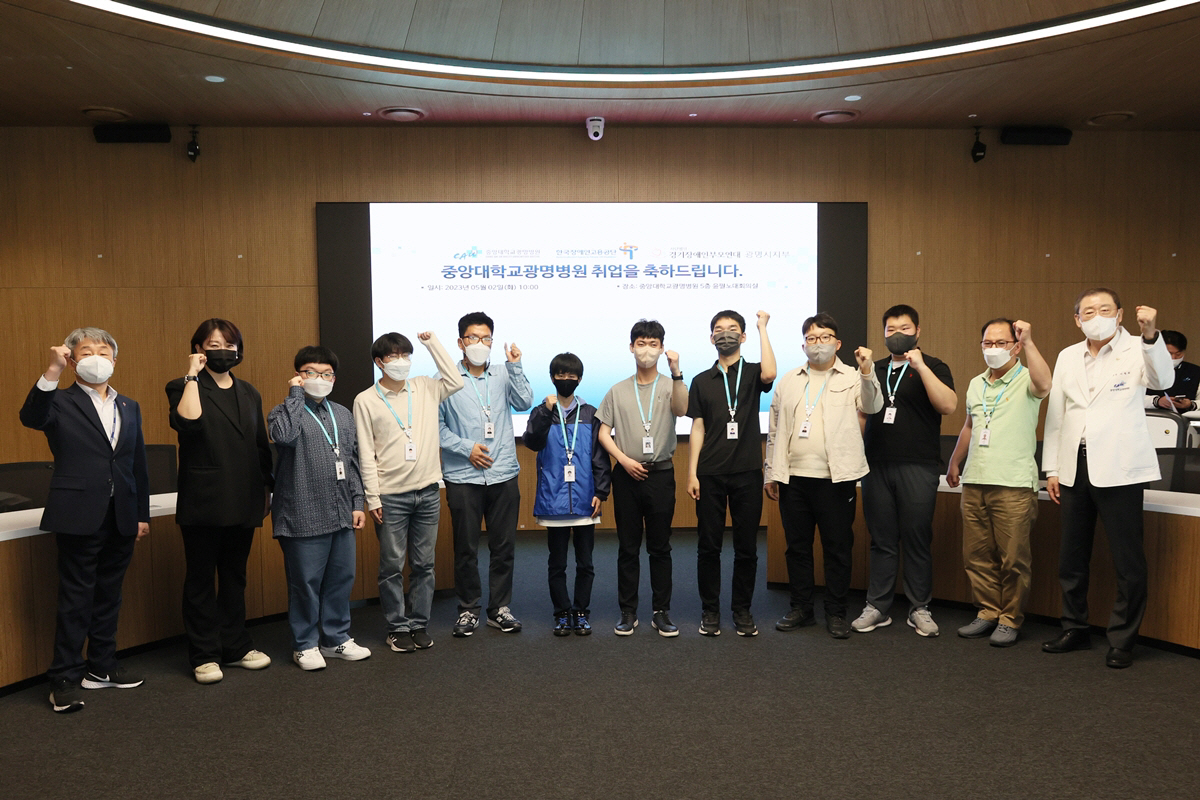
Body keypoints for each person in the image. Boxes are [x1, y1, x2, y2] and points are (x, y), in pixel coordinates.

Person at [21, 328, 150, 713]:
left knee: (110, 595)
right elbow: (31, 417)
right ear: (73, 360)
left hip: (121, 514)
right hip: (78, 513)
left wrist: (141, 514)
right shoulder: (59, 400)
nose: (97, 357)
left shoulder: (129, 405)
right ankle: (63, 676)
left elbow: (137, 464)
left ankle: (102, 667)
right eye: (86, 350)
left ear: (115, 360)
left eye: (104, 351)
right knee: (76, 598)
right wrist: (52, 370)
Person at [1042, 289, 1172, 669]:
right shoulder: (1068, 355)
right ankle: (1075, 628)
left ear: (1119, 315)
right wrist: (1052, 468)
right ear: (1077, 319)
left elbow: (1162, 379)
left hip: (1120, 467)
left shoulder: (1137, 348)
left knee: (1127, 561)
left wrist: (1150, 335)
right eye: (1088, 311)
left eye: (1104, 309)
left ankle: (1122, 640)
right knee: (1071, 557)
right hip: (1074, 466)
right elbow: (1057, 414)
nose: (1096, 316)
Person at [166, 318, 274, 684]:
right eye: (213, 345)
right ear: (198, 349)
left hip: (245, 497)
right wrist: (192, 376)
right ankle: (204, 655)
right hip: (204, 499)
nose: (222, 351)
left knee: (234, 577)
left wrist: (267, 488)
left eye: (229, 345)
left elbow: (260, 444)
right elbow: (188, 423)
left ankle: (236, 647)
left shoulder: (249, 391)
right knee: (200, 580)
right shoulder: (181, 386)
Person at [764, 313, 880, 639]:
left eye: (825, 337)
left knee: (837, 548)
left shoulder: (853, 376)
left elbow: (872, 407)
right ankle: (801, 608)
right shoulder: (789, 380)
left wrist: (868, 371)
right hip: (793, 478)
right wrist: (771, 472)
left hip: (836, 479)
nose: (818, 343)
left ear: (837, 343)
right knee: (797, 547)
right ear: (803, 344)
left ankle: (836, 612)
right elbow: (774, 429)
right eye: (812, 338)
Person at [354, 331, 462, 653]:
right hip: (390, 496)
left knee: (424, 565)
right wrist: (372, 497)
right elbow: (365, 453)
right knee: (391, 566)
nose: (401, 362)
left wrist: (432, 344)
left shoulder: (425, 387)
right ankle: (397, 627)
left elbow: (455, 380)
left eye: (406, 355)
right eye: (394, 356)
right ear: (379, 362)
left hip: (428, 491)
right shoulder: (366, 400)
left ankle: (418, 624)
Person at [945, 319, 1051, 647]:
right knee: (976, 555)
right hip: (975, 480)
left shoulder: (1027, 378)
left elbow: (1045, 385)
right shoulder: (976, 383)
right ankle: (988, 611)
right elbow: (969, 426)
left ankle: (1010, 618)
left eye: (1001, 343)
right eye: (988, 343)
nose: (993, 349)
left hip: (1014, 484)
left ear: (1015, 346)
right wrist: (954, 461)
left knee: (1013, 558)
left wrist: (1029, 341)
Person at [855, 304, 956, 637]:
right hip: (876, 465)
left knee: (916, 538)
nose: (897, 335)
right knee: (882, 540)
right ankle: (878, 606)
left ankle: (919, 608)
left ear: (917, 331)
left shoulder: (935, 366)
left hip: (919, 465)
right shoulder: (875, 368)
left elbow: (948, 405)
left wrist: (920, 366)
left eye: (904, 329)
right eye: (891, 330)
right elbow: (862, 413)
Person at [269, 345, 370, 670]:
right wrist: (295, 396)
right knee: (306, 584)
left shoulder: (343, 414)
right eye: (311, 372)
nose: (320, 379)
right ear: (298, 375)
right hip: (302, 513)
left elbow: (351, 461)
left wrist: (358, 502)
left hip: (341, 512)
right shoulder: (282, 412)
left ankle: (336, 638)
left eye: (327, 374)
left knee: (341, 579)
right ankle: (304, 644)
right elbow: (284, 437)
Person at [440, 312, 534, 637]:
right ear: (460, 342)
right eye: (472, 338)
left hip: (503, 472)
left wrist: (516, 366)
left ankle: (499, 609)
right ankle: (468, 610)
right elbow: (435, 426)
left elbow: (524, 402)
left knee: (503, 547)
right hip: (462, 476)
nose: (479, 343)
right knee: (465, 548)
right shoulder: (445, 379)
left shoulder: (504, 374)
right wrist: (466, 447)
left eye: (485, 338)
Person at [686, 309, 776, 637]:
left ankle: (742, 610)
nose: (726, 334)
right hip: (709, 473)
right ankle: (710, 610)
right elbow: (698, 427)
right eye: (720, 329)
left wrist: (762, 327)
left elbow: (771, 372)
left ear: (743, 336)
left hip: (747, 472)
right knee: (708, 546)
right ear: (712, 338)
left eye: (733, 329)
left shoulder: (752, 373)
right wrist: (691, 472)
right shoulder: (701, 380)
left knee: (746, 547)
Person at [596, 320, 688, 637]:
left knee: (660, 548)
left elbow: (682, 409)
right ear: (631, 347)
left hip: (660, 475)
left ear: (661, 348)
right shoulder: (618, 390)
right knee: (628, 547)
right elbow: (603, 433)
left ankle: (661, 612)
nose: (646, 349)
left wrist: (677, 372)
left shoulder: (671, 384)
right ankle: (628, 612)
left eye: (653, 344)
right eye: (641, 343)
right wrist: (623, 460)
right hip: (626, 476)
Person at [522, 353, 611, 636]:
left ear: (579, 379)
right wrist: (545, 412)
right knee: (557, 563)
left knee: (586, 563)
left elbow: (600, 457)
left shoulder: (591, 413)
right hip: (553, 499)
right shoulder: (542, 411)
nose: (565, 379)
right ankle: (561, 613)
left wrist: (601, 491)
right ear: (552, 378)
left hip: (586, 499)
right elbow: (532, 442)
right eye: (560, 374)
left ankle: (581, 612)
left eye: (571, 375)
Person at [1144, 330, 1200, 412]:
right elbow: (1130, 398)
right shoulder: (1144, 368)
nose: (1173, 358)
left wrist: (1191, 404)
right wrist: (1156, 401)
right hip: (1150, 416)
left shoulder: (1195, 371)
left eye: (1178, 354)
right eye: (1169, 353)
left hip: (1184, 417)